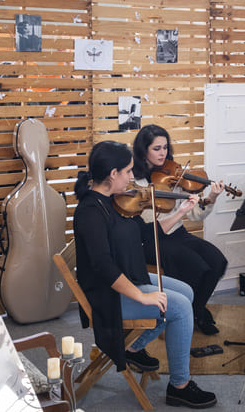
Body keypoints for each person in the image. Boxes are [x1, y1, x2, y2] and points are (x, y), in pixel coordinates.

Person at [73, 141, 217, 408]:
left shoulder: (117, 202)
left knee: (186, 291)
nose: (132, 176)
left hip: (129, 276)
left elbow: (147, 233)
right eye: (127, 171)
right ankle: (180, 386)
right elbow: (104, 266)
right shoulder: (90, 212)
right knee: (181, 307)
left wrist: (182, 212)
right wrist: (141, 296)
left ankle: (134, 347)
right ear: (113, 174)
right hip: (107, 295)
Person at [132, 124, 229, 335]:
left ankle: (195, 310)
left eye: (165, 147)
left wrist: (210, 197)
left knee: (217, 260)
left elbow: (195, 214)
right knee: (197, 267)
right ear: (143, 151)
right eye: (156, 148)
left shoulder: (173, 176)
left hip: (177, 234)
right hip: (151, 239)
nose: (163, 153)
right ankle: (187, 312)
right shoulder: (133, 181)